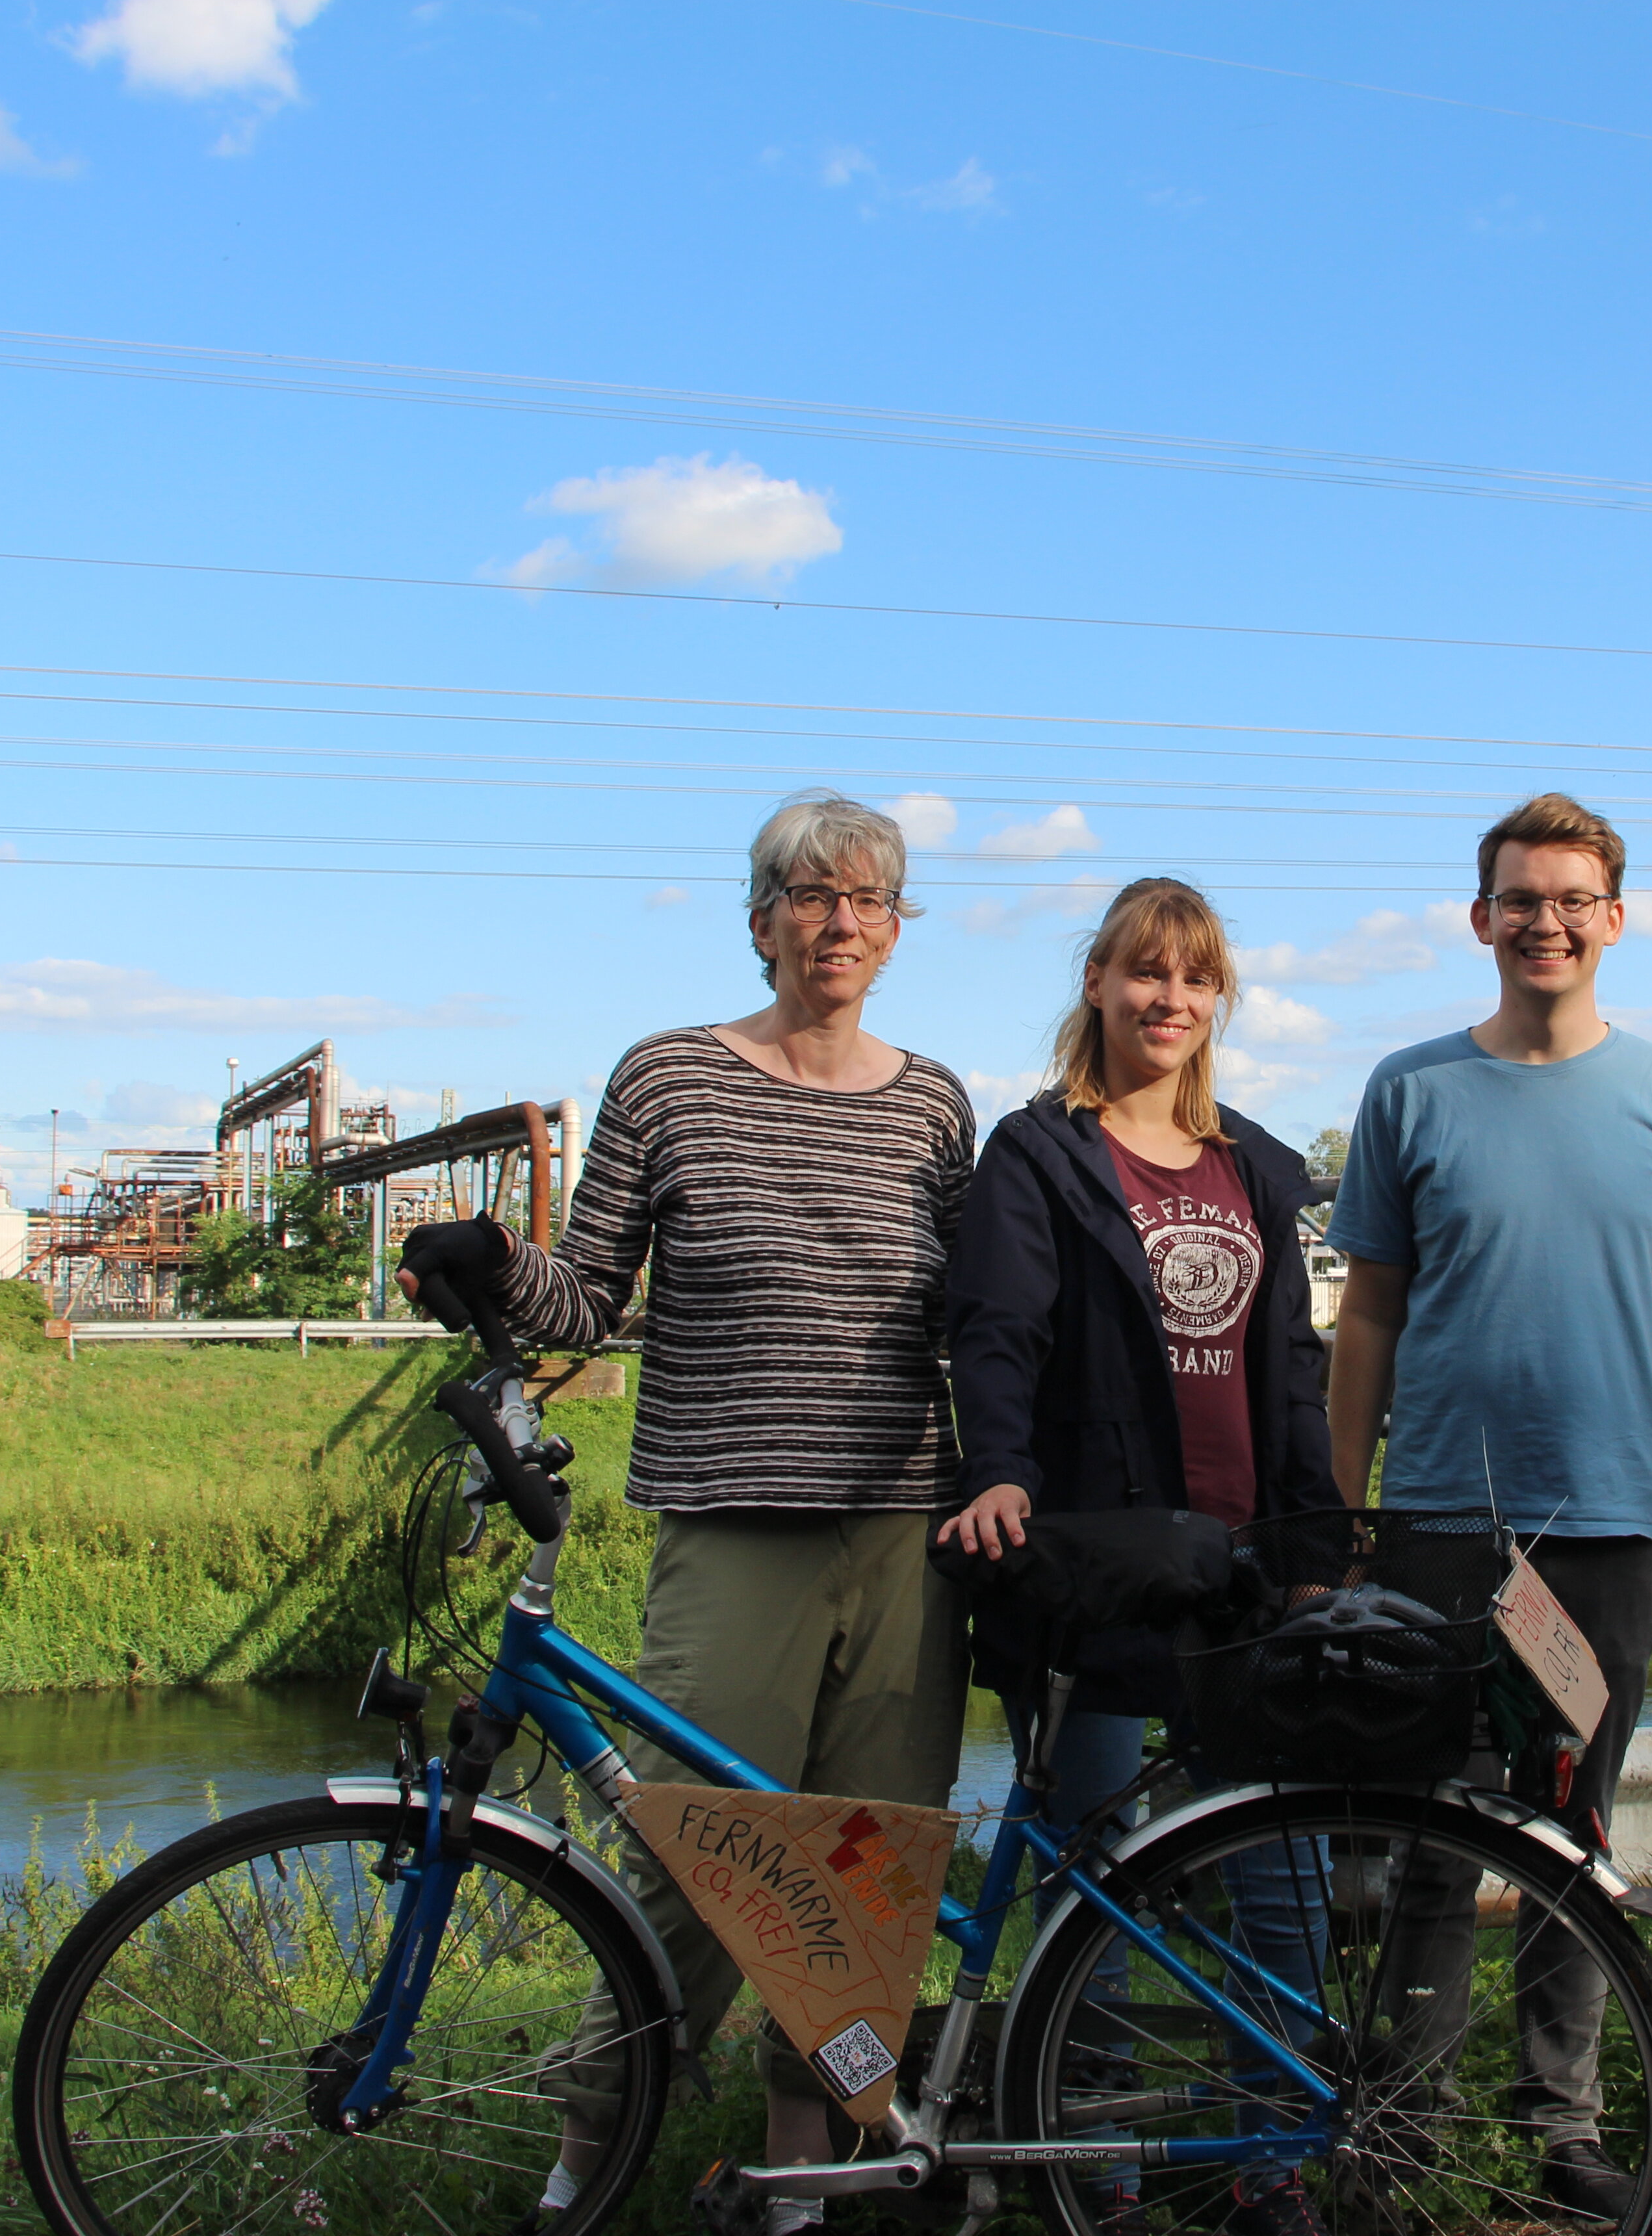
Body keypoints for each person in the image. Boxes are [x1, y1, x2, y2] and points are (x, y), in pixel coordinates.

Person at [402, 790, 974, 2233]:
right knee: (697, 1861)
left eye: (868, 899)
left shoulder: (935, 1105)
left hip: (906, 1530)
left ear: (895, 930)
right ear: (762, 920)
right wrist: (494, 1258)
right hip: (729, 1522)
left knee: (867, 1875)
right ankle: (582, 2162)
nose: (839, 922)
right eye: (811, 895)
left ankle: (802, 2177)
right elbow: (589, 1298)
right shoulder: (669, 1078)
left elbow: (973, 1323)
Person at [1325, 790, 1652, 2226]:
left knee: (1574, 1834)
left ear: (1615, 920)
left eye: (1573, 900)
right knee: (1429, 1839)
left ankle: (1562, 2129)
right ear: (1481, 917)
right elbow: (1366, 1319)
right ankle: (1402, 2128)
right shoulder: (1411, 1089)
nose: (1546, 923)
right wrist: (1340, 1516)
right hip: (1441, 1520)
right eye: (1521, 899)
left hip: (1611, 1522)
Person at [941, 876, 1343, 2236]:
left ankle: (1268, 2163)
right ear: (1098, 985)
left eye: (1195, 978)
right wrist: (999, 1471)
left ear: (1218, 999)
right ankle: (1095, 2166)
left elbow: (1292, 1371)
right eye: (1145, 973)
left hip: (1244, 1567)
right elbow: (998, 1329)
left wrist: (1313, 1545)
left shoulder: (1257, 1167)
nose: (1169, 999)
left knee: (1281, 1875)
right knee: (1092, 1876)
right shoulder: (1039, 1154)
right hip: (1098, 1568)